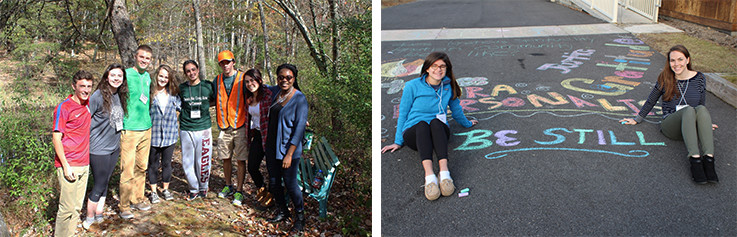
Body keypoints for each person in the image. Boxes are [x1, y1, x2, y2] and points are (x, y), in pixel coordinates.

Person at [381, 52, 478, 201]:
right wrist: (398, 141)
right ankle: (430, 178)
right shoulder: (412, 86)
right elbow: (404, 113)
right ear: (427, 68)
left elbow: (456, 109)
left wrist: (467, 123)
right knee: (422, 125)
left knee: (435, 122)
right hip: (415, 134)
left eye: (442, 67)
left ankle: (445, 174)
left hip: (438, 132)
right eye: (434, 66)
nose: (438, 70)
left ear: (447, 69)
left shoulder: (448, 86)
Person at [619, 45, 719, 184]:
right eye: (672, 60)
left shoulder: (699, 78)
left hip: (691, 126)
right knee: (689, 109)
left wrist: (705, 123)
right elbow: (651, 100)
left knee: (700, 109)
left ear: (687, 60)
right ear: (669, 62)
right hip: (671, 125)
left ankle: (709, 160)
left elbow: (701, 104)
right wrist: (637, 119)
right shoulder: (665, 78)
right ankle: (695, 160)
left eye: (680, 59)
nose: (676, 64)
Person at [82, 64, 128, 230]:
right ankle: (88, 218)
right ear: (107, 76)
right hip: (98, 148)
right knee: (99, 183)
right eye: (113, 75)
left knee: (105, 181)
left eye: (120, 76)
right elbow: (85, 120)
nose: (116, 78)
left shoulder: (119, 95)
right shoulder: (97, 96)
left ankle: (99, 213)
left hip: (114, 147)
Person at [265, 64, 309, 231]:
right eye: (281, 77)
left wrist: (289, 154)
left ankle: (300, 217)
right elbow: (260, 86)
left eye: (288, 77)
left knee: (291, 184)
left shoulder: (300, 99)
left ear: (294, 79)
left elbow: (299, 130)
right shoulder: (275, 92)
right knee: (274, 182)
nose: (284, 80)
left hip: (288, 150)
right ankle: (283, 211)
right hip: (272, 146)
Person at [52, 70, 94, 237]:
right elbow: (56, 138)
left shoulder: (88, 104)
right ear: (73, 86)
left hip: (84, 163)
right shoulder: (64, 107)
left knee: (76, 207)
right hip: (69, 164)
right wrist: (65, 166)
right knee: (66, 208)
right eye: (82, 86)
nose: (86, 90)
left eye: (89, 86)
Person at [119, 45, 154, 219]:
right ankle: (124, 205)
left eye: (147, 58)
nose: (144, 61)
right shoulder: (125, 74)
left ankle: (138, 199)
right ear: (135, 56)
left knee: (142, 167)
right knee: (127, 168)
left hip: (146, 128)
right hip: (129, 129)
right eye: (142, 57)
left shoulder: (147, 76)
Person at [212, 50, 250, 204]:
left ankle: (239, 191)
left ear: (233, 62)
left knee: (241, 160)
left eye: (228, 62)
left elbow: (258, 93)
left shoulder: (243, 78)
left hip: (240, 125)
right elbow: (210, 98)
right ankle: (228, 185)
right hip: (223, 127)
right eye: (222, 62)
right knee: (225, 158)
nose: (225, 65)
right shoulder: (217, 80)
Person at [179, 60, 215, 200]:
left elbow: (214, 100)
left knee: (203, 160)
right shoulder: (181, 88)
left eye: (193, 69)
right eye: (188, 71)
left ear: (198, 70)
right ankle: (193, 188)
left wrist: (204, 106)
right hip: (186, 127)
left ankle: (203, 187)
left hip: (203, 127)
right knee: (187, 161)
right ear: (185, 73)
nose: (191, 73)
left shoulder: (207, 86)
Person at [147, 65, 181, 203]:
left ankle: (166, 189)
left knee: (167, 164)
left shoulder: (173, 94)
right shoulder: (150, 93)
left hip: (169, 135)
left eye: (166, 77)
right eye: (161, 76)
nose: (163, 79)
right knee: (153, 164)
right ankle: (154, 191)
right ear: (156, 76)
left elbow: (182, 108)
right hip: (153, 135)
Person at [242, 68, 273, 207]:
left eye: (252, 80)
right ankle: (262, 191)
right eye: (247, 82)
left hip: (271, 136)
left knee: (272, 169)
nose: (250, 84)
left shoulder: (269, 94)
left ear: (259, 80)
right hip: (259, 135)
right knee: (252, 166)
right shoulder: (248, 97)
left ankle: (273, 199)